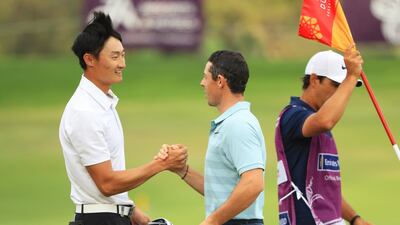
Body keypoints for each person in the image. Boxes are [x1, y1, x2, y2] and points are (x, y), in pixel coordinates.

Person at [59, 12, 187, 225]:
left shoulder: (102, 103)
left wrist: (131, 211)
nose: (123, 64)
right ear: (89, 59)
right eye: (115, 56)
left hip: (112, 217)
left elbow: (107, 182)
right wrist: (161, 164)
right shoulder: (84, 111)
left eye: (123, 55)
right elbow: (107, 183)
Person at [158, 50, 267, 225]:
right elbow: (220, 192)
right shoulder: (231, 122)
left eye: (205, 77)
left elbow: (253, 183)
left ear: (220, 81)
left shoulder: (238, 124)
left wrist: (214, 220)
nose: (202, 83)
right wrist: (181, 169)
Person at [275, 46, 373, 225]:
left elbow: (325, 189)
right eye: (336, 85)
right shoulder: (293, 115)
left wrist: (354, 218)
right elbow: (325, 120)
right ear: (314, 79)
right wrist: (351, 77)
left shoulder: (319, 121)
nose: (340, 93)